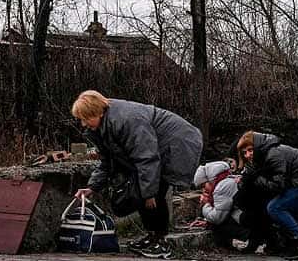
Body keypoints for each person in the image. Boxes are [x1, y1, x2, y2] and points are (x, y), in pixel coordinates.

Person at [71, 90, 203, 260]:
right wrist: (91, 187)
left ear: (98, 112)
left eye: (85, 118)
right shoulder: (102, 127)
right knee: (141, 191)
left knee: (155, 193)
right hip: (157, 150)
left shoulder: (126, 120)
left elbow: (147, 157)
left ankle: (161, 241)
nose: (83, 124)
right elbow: (107, 161)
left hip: (177, 145)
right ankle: (152, 236)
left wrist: (149, 193)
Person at [236, 131, 298, 260]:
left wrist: (256, 177)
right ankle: (291, 242)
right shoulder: (266, 154)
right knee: (280, 206)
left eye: (250, 150)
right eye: (244, 153)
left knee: (275, 207)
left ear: (257, 146)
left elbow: (277, 185)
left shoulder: (273, 154)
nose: (248, 155)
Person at [192, 160, 251, 251]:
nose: (204, 190)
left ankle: (245, 236)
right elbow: (223, 210)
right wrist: (207, 222)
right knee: (213, 224)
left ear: (210, 179)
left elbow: (217, 218)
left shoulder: (221, 187)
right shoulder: (227, 180)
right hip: (245, 216)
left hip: (246, 220)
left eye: (204, 185)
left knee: (216, 227)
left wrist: (205, 204)